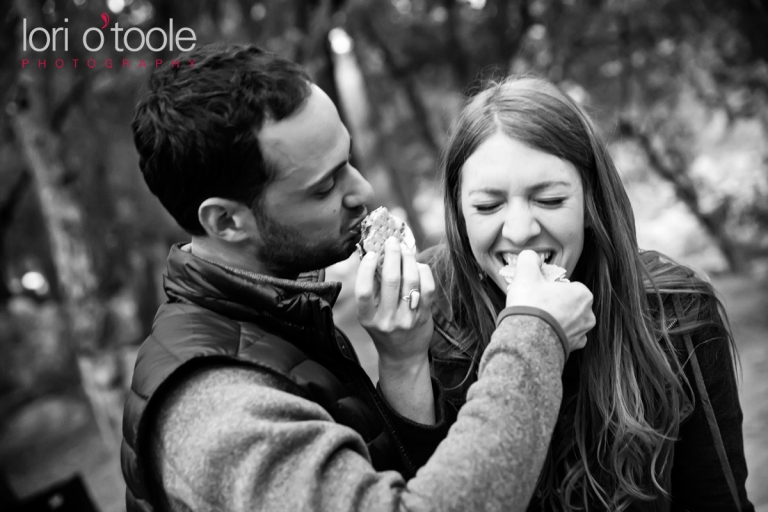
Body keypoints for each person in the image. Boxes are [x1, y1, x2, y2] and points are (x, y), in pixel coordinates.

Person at [121, 44, 596, 512]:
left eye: (348, 159)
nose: (363, 190)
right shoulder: (216, 414)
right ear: (226, 222)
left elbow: (402, 482)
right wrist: (535, 333)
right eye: (325, 186)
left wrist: (403, 363)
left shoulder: (282, 318)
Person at [420, 76, 754, 511]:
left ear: (591, 199)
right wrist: (400, 363)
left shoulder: (678, 312)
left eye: (551, 200)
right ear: (458, 212)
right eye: (488, 206)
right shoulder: (429, 311)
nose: (520, 231)